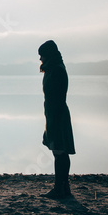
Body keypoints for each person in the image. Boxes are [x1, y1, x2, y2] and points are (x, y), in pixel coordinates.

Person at [38, 40, 75, 199]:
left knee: (60, 151)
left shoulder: (57, 70)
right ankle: (63, 187)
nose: (40, 59)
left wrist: (54, 119)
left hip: (57, 114)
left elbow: (58, 97)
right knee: (58, 151)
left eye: (42, 55)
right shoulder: (52, 69)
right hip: (53, 113)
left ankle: (60, 188)